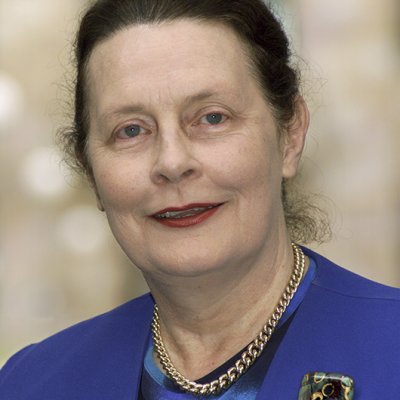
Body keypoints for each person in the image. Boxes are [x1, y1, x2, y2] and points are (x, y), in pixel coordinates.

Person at [1, 1, 399, 399]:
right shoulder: (30, 383)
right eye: (131, 130)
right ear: (88, 168)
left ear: (289, 135)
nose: (172, 162)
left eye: (212, 118)